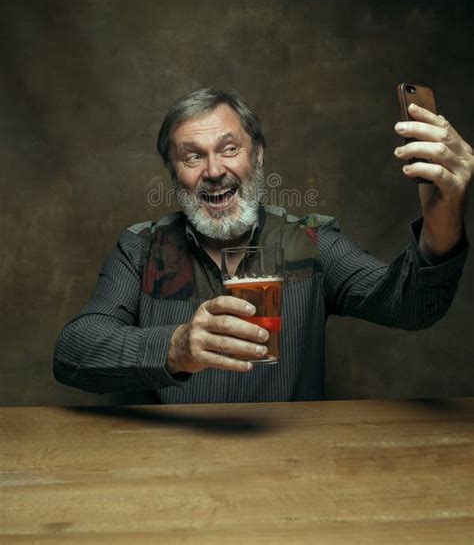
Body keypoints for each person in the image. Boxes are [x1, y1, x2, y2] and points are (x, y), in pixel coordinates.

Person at [53, 88, 472, 403]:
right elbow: (74, 351)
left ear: (258, 157)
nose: (214, 170)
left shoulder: (310, 239)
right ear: (173, 172)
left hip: (290, 471)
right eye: (192, 157)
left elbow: (412, 306)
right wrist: (177, 346)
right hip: (170, 470)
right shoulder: (142, 248)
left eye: (229, 149)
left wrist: (443, 215)